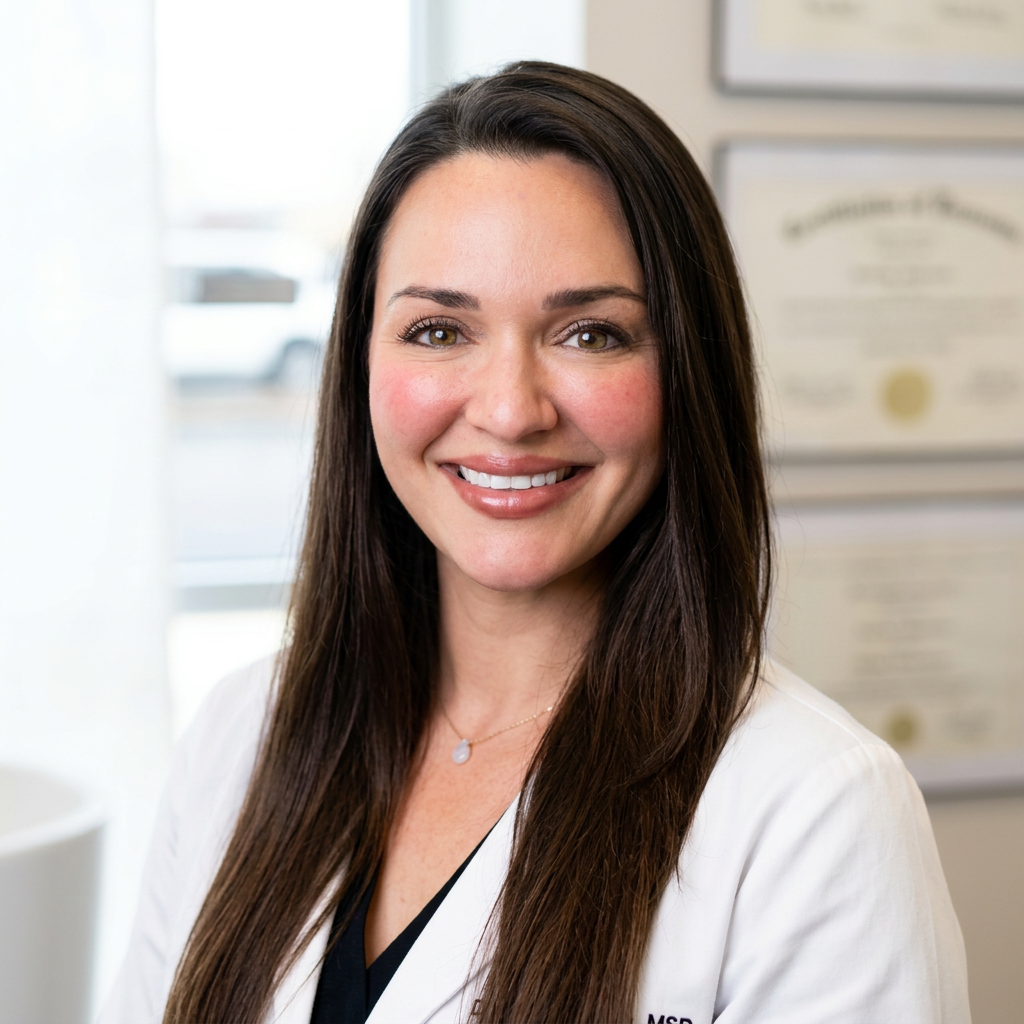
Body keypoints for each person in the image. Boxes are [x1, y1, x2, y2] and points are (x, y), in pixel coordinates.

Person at [101, 62, 968, 1024]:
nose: (511, 411)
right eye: (438, 331)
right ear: (360, 363)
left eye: (591, 334)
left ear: (687, 369)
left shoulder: (818, 810)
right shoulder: (241, 735)